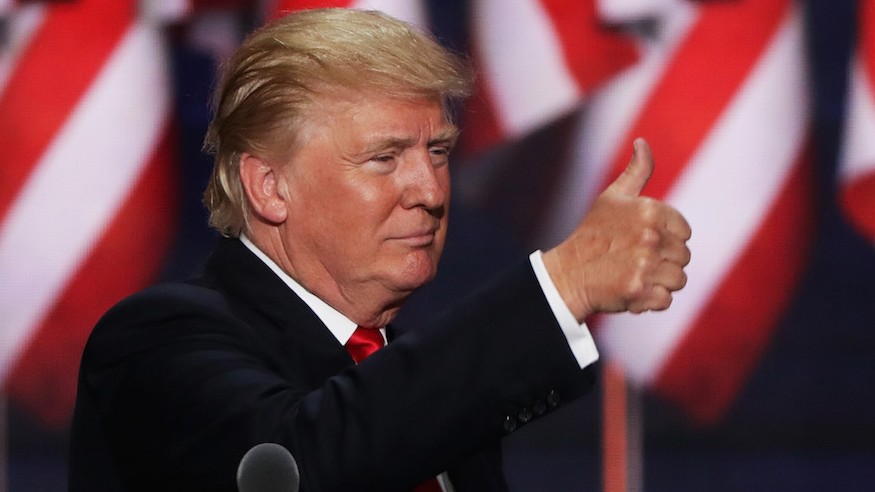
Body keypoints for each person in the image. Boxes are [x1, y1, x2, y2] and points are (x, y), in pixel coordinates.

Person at [68, 8, 691, 492]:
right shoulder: (155, 342)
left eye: (438, 152)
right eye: (385, 158)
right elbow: (298, 464)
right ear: (270, 187)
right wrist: (566, 283)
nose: (429, 190)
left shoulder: (415, 387)